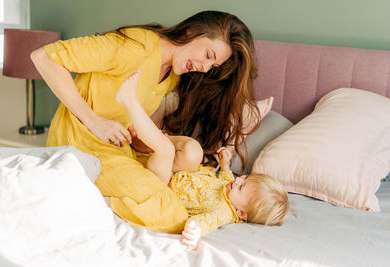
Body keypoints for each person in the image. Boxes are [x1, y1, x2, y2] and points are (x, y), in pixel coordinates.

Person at [30, 10, 260, 233]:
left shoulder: (171, 73)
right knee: (172, 213)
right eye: (209, 56)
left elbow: (127, 121)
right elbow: (43, 57)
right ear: (192, 32)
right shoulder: (134, 47)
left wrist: (142, 140)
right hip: (84, 145)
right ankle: (85, 197)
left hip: (118, 149)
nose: (205, 67)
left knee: (192, 152)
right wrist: (93, 121)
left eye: (213, 66)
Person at [116, 71, 289, 250]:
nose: (238, 180)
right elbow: (227, 178)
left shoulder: (224, 211)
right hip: (178, 173)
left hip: (164, 188)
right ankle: (146, 143)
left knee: (166, 153)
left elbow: (208, 221)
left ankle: (141, 123)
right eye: (244, 178)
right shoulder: (231, 188)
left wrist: (195, 230)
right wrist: (225, 164)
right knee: (193, 150)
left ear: (241, 213)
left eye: (241, 186)